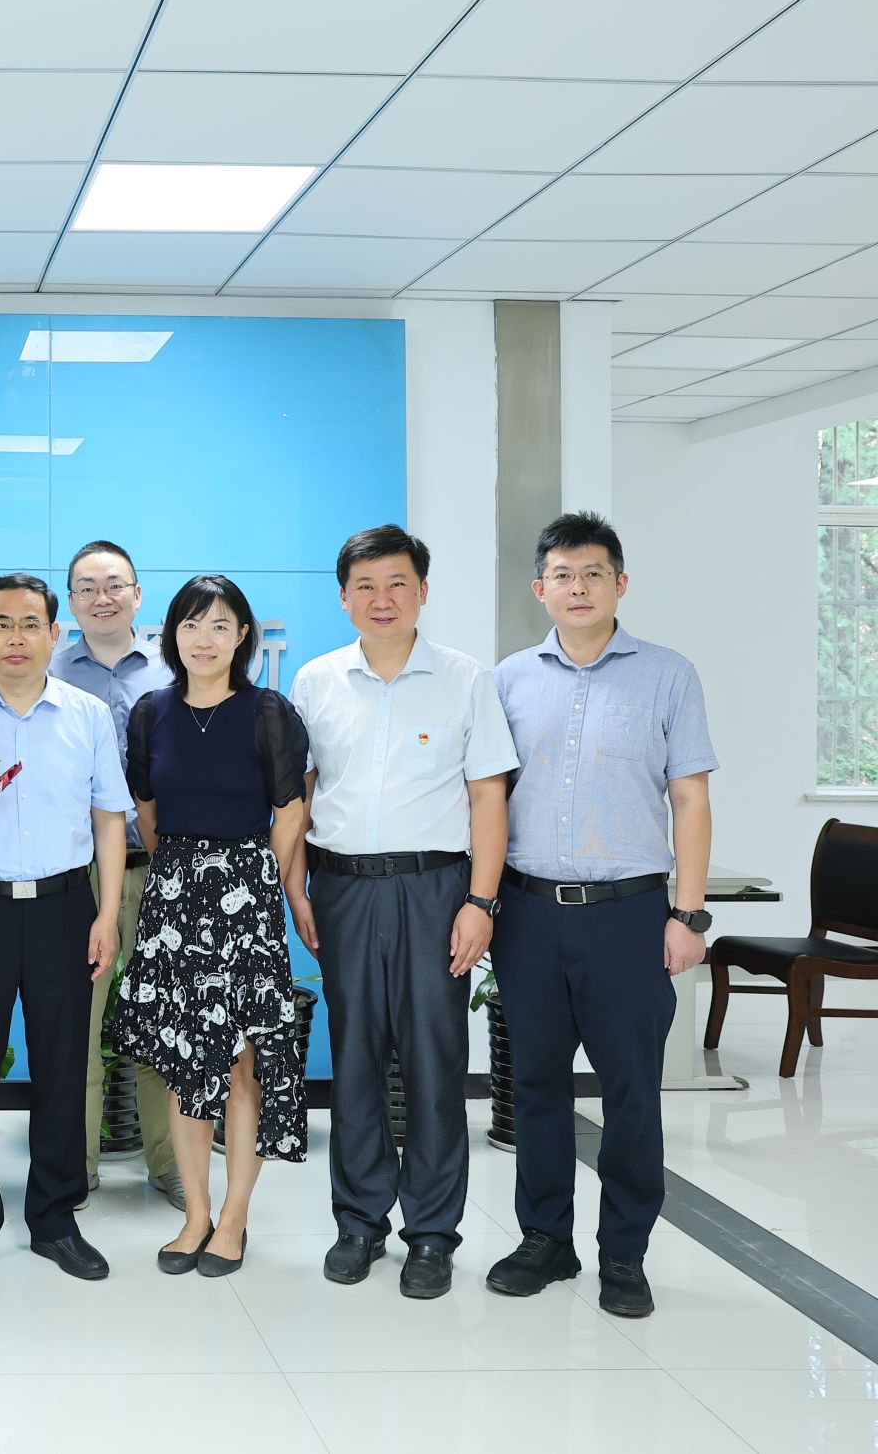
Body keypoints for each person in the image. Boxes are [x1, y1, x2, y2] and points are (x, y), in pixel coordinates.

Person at [486, 513, 716, 1319]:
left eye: (593, 573)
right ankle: (545, 1239)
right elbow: (487, 799)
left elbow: (690, 798)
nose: (577, 588)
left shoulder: (668, 675)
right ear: (539, 588)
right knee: (536, 1085)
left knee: (631, 1092)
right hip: (528, 912)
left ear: (620, 583)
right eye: (562, 574)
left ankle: (625, 1252)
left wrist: (689, 912)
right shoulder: (509, 680)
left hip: (630, 914)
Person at [285, 524, 518, 1299]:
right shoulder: (316, 680)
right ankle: (358, 1223)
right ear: (343, 597)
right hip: (342, 889)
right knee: (353, 1060)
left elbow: (489, 798)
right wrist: (297, 889)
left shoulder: (465, 679)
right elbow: (301, 796)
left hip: (435, 891)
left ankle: (432, 1235)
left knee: (433, 1062)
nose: (381, 599)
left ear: (422, 591)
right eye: (365, 586)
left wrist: (480, 901)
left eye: (396, 584)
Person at [0, 575, 132, 1283]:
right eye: (3, 624)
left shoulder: (86, 715)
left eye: (31, 624)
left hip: (62, 910)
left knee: (63, 1066)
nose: (17, 638)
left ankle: (54, 1218)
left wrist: (106, 914)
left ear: (54, 633)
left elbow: (109, 819)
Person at [112, 576, 311, 1278]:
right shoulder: (151, 713)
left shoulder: (266, 712)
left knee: (240, 1063)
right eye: (192, 625)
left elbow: (291, 809)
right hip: (172, 900)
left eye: (221, 625)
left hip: (247, 902)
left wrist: (250, 879)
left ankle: (234, 1218)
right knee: (183, 1061)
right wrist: (183, 874)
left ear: (243, 636)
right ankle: (195, 1214)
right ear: (172, 635)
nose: (205, 638)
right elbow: (146, 810)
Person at [49, 540, 180, 1209]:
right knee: (79, 1025)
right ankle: (77, 1167)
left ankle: (170, 1163)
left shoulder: (173, 668)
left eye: (114, 585)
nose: (102, 598)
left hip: (159, 869)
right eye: (87, 588)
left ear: (137, 594)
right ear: (70, 602)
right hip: (79, 878)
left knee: (162, 1022)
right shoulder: (46, 670)